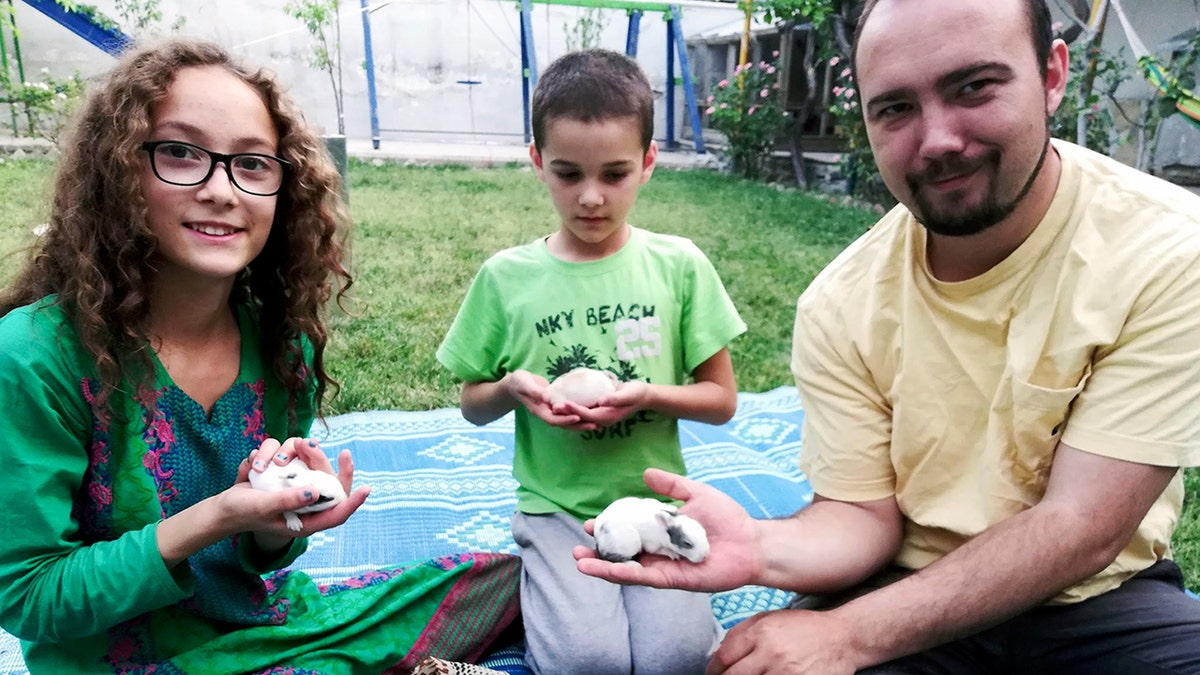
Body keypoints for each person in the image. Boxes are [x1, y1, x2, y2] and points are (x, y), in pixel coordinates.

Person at [574, 0, 1200, 673]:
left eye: (974, 87)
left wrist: (848, 635)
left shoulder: (1165, 248)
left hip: (1096, 598)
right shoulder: (841, 304)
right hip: (898, 581)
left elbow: (1083, 525)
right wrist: (757, 547)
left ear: (1051, 75)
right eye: (895, 108)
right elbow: (863, 515)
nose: (937, 140)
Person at [0, 39, 514, 675]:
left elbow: (259, 557)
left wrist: (276, 523)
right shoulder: (32, 356)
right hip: (125, 662)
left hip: (268, 628)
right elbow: (29, 597)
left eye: (252, 164)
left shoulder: (279, 341)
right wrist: (219, 514)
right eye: (181, 153)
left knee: (505, 578)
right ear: (117, 172)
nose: (223, 190)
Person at [436, 49, 747, 675]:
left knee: (678, 660)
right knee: (589, 662)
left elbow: (721, 402)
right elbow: (471, 404)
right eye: (568, 173)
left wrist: (647, 395)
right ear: (537, 162)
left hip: (657, 506)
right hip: (556, 509)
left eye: (615, 173)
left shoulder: (679, 266)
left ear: (649, 164)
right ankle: (540, 584)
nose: (591, 197)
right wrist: (512, 388)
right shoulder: (506, 278)